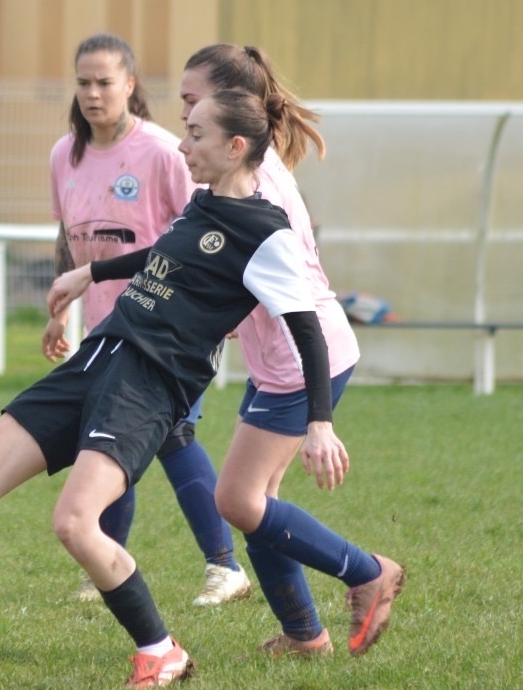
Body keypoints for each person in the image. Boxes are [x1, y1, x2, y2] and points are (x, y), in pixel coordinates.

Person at [0, 88, 347, 690]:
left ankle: (161, 652)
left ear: (235, 146)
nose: (183, 145)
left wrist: (319, 422)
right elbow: (163, 259)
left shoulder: (267, 234)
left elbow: (308, 330)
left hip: (149, 385)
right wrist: (88, 272)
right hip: (97, 359)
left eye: (196, 134)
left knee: (74, 522)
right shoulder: (203, 204)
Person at [170, 42, 403, 657]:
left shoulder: (259, 184)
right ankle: (305, 636)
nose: (186, 119)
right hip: (281, 361)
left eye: (193, 102)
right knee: (256, 504)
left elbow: (293, 301)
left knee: (237, 499)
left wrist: (320, 423)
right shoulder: (243, 170)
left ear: (232, 109)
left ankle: (368, 572)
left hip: (305, 358)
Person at [44, 32, 250, 608]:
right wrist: (60, 310)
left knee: (174, 436)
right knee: (105, 440)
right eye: (83, 82)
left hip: (172, 330)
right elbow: (68, 237)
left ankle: (225, 566)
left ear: (129, 85)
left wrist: (222, 303)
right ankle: (105, 562)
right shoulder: (65, 154)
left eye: (104, 82)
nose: (92, 93)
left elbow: (210, 228)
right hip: (108, 329)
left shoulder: (163, 151)